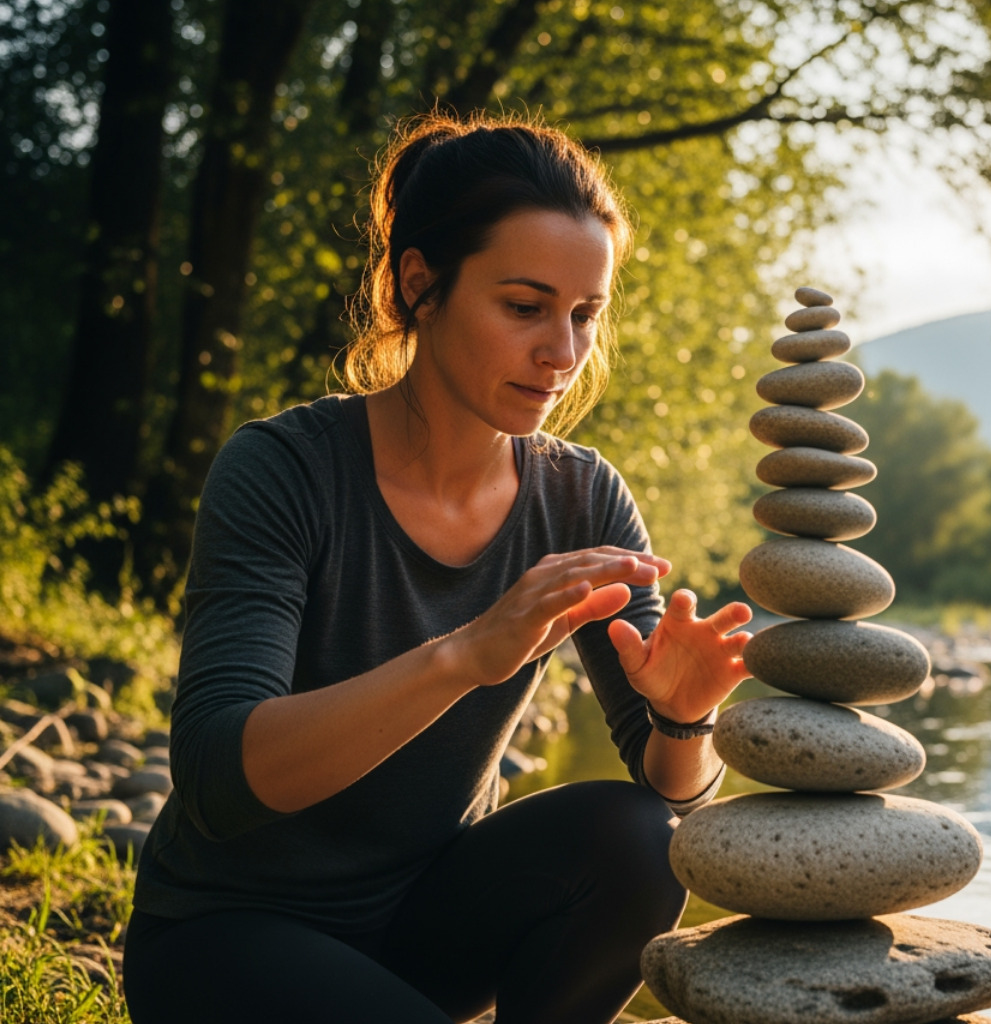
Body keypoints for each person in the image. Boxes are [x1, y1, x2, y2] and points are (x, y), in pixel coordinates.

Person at [121, 112, 753, 1024]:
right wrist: (466, 654)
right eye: (525, 307)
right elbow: (219, 778)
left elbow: (669, 794)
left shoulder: (580, 499)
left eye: (585, 315)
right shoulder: (283, 469)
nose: (563, 353)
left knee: (639, 840)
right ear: (420, 284)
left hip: (425, 934)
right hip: (226, 937)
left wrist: (685, 717)